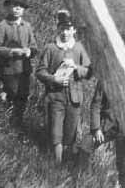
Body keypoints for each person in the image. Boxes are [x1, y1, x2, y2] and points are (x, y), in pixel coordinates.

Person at [36, 10, 91, 163]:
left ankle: (71, 163)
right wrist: (54, 80)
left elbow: (89, 72)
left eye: (68, 29)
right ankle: (57, 163)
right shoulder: (51, 48)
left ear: (74, 30)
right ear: (57, 29)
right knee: (56, 130)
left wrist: (76, 68)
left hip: (74, 98)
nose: (65, 32)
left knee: (71, 131)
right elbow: (40, 71)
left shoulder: (79, 48)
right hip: (55, 97)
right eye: (61, 28)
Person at [76, 78, 125, 187]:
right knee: (86, 144)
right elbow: (96, 104)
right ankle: (85, 181)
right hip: (108, 125)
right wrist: (96, 128)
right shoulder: (105, 78)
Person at [0, 0, 39, 127]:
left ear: (24, 10)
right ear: (9, 7)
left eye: (21, 6)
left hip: (24, 69)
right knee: (12, 94)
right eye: (15, 5)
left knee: (23, 96)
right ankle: (3, 122)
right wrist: (12, 51)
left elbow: (34, 46)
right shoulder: (3, 26)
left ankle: (17, 124)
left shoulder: (27, 26)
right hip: (9, 69)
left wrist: (30, 51)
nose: (17, 8)